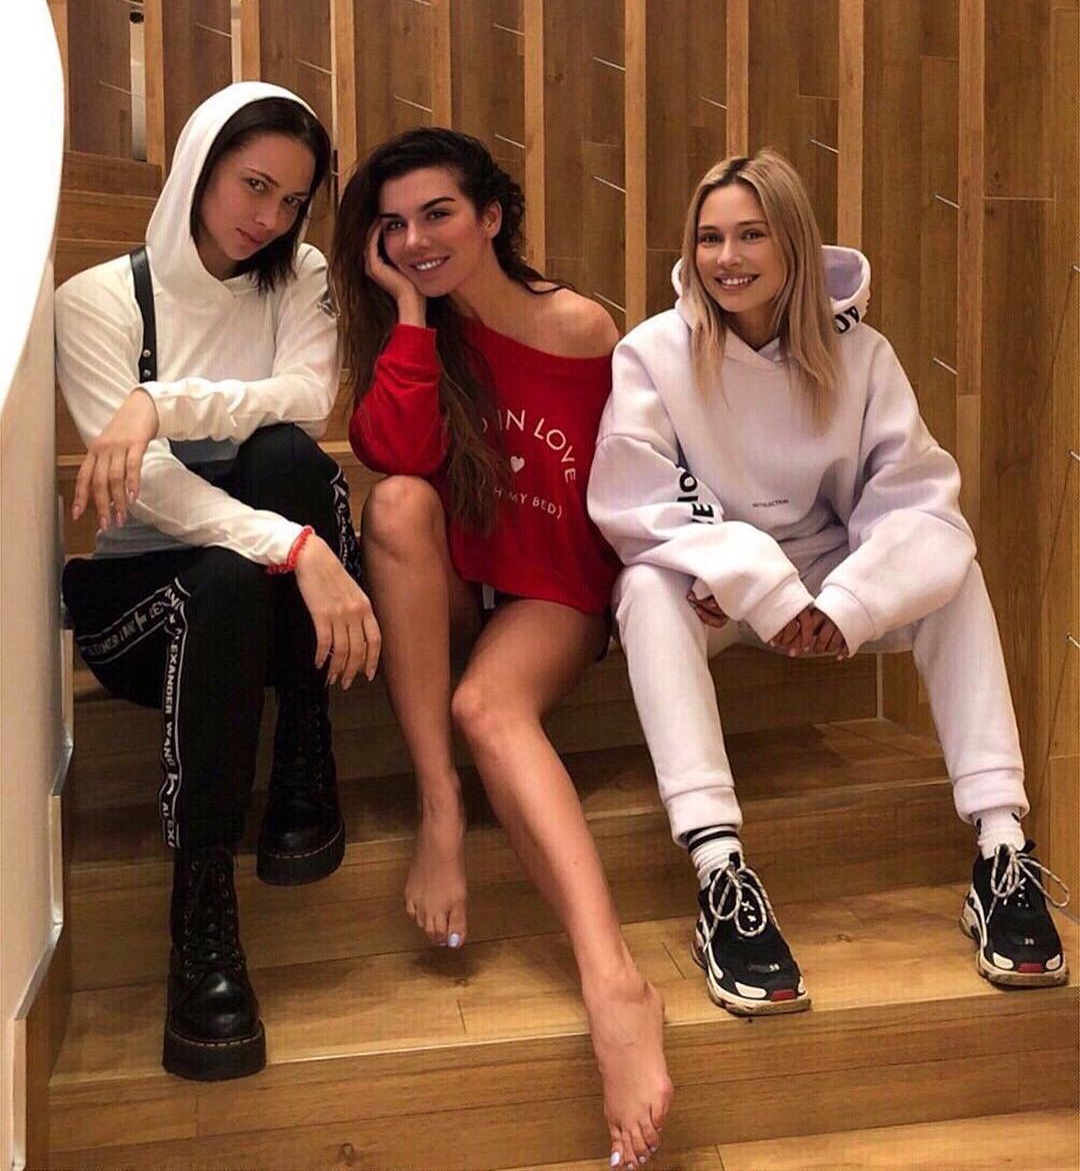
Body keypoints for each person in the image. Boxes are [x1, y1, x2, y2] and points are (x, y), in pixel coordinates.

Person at [588, 148, 1069, 1017]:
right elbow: (635, 493)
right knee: (647, 590)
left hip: (827, 574)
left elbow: (916, 499)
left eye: (750, 235)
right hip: (716, 586)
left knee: (956, 574)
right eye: (708, 238)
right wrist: (735, 573)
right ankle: (719, 868)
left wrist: (849, 602)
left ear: (793, 244)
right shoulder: (652, 352)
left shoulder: (863, 355)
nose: (726, 258)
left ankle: (1001, 846)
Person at [332, 128, 672, 1169]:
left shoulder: (583, 329)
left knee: (488, 706)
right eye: (394, 225)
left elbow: (642, 469)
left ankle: (615, 985)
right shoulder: (419, 335)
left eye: (438, 213)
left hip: (554, 589)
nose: (416, 238)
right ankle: (441, 804)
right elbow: (395, 453)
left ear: (491, 216)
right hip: (453, 585)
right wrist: (409, 315)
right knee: (396, 503)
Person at [55, 82, 380, 1082]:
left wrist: (159, 402)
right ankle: (202, 910)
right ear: (200, 165)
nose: (269, 218)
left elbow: (306, 396)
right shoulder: (96, 303)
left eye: (292, 200)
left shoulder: (300, 278)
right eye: (253, 185)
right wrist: (296, 549)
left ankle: (306, 747)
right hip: (143, 604)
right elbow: (145, 491)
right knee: (232, 575)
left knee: (286, 455)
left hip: (258, 603)